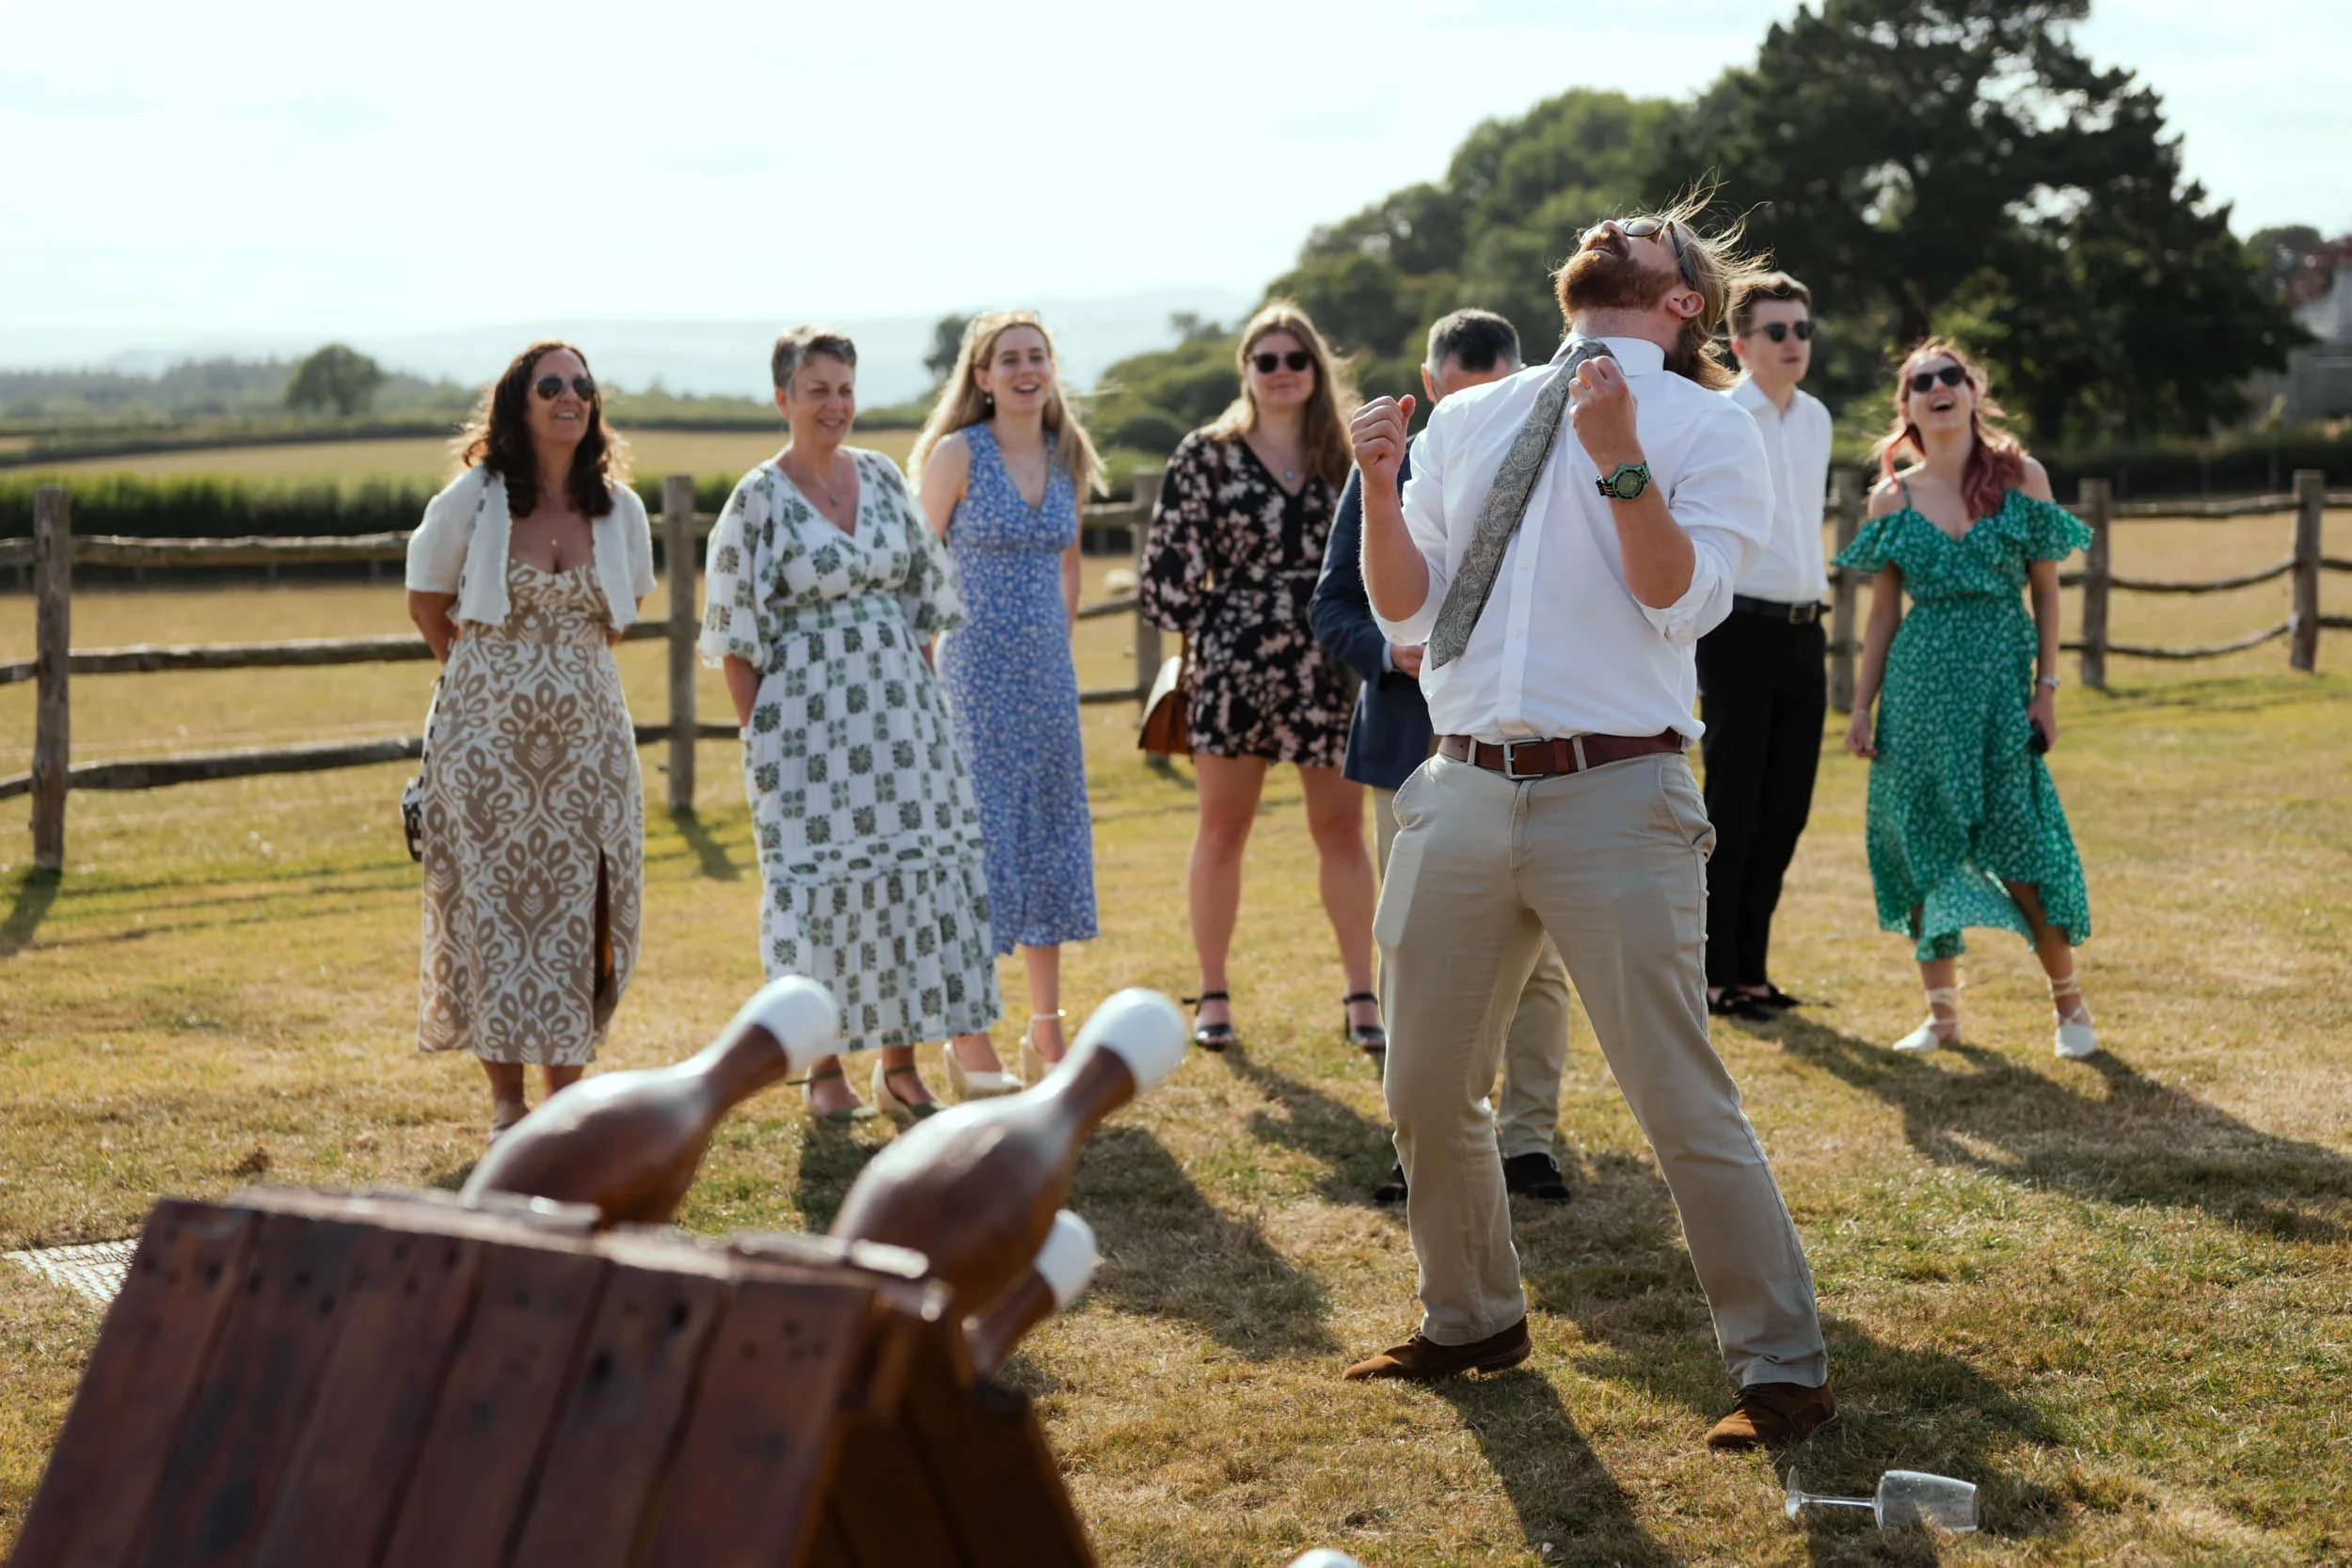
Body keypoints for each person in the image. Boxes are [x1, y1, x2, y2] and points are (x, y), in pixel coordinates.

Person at [1344, 204, 1833, 1452]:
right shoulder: (1470, 414)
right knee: (1422, 1084)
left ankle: (1782, 1364)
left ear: (1685, 303)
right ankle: (1470, 1317)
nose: (1615, 225)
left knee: (1679, 1093)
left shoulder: (1711, 429)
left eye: (1650, 232)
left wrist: (1619, 457)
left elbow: (1683, 600)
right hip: (1457, 785)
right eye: (1611, 222)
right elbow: (1408, 612)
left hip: (1619, 793)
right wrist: (1378, 487)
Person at [701, 325, 1001, 1125]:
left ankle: (899, 1067)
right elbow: (734, 638)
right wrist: (762, 736)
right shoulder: (755, 502)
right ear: (782, 398)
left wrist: (916, 697)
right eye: (816, 390)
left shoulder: (879, 476)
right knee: (815, 897)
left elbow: (926, 602)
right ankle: (822, 1067)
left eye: (844, 389)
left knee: (906, 890)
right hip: (801, 734)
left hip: (902, 722)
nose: (833, 405)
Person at [1310, 308, 1572, 1208]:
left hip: (1524, 744)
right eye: (1454, 400)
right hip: (1408, 745)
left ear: (1524, 379)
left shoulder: (1556, 462)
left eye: (1490, 398)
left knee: (1537, 956)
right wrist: (1392, 650)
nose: (1469, 418)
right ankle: (1418, 1142)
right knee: (1414, 948)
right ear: (1428, 390)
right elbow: (1335, 604)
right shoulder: (1389, 468)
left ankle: (1529, 1142)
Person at [405, 341, 656, 1140]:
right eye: (550, 385)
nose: (569, 396)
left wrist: (560, 679)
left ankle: (567, 1096)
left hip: (590, 745)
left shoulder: (621, 509)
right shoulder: (472, 501)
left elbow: (621, 617)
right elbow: (425, 600)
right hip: (485, 745)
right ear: (518, 403)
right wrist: (490, 680)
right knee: (494, 909)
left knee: (587, 904)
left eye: (581, 384)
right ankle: (507, 1102)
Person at [1836, 339, 2097, 1059]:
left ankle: (2070, 1007)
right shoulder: (1891, 496)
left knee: (2019, 842)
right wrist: (1862, 705)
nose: (1939, 386)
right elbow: (1883, 612)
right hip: (1918, 691)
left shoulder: (2023, 478)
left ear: (1974, 392)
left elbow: (2046, 593)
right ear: (1909, 406)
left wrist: (2047, 689)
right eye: (1923, 381)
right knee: (1920, 839)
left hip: (2000, 682)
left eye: (1952, 375)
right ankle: (1942, 1015)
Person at [1139, 302, 1379, 1054]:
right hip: (1234, 658)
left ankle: (1363, 992)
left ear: (1316, 369)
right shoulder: (1203, 455)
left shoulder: (1348, 454)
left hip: (1328, 657)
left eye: (1295, 360)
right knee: (1222, 829)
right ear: (1244, 370)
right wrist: (1203, 609)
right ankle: (1213, 992)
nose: (1281, 373)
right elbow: (1164, 576)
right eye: (1265, 360)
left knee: (1341, 830)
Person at [911, 311, 1103, 1092]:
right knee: (979, 843)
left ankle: (1047, 1028)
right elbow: (916, 571)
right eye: (1008, 358)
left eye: (1037, 356)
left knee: (1050, 837)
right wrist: (922, 676)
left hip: (1048, 680)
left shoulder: (1067, 455)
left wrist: (1051, 641)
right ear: (981, 376)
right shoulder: (958, 453)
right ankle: (969, 1034)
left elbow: (1069, 563)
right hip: (971, 677)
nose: (1026, 369)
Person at [1700, 273, 1834, 1022]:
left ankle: (1752, 970)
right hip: (1737, 631)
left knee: (1787, 807)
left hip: (1803, 631)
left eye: (1802, 330)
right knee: (1734, 803)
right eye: (1777, 332)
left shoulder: (1815, 418)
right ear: (1740, 344)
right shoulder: (1722, 417)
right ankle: (1714, 974)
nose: (1793, 344)